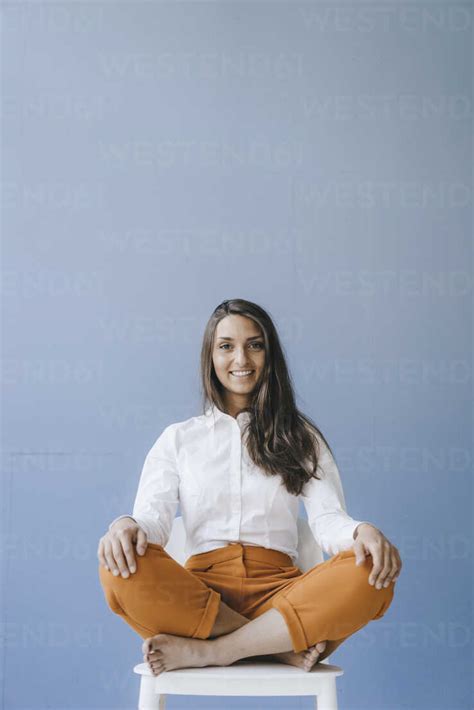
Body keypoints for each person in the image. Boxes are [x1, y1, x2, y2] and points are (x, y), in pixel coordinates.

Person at [98, 298, 401, 676]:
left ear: (269, 354)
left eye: (254, 344)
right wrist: (124, 525)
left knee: (372, 568)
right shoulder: (178, 439)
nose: (241, 358)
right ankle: (273, 648)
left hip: (283, 597)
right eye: (226, 346)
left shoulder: (300, 437)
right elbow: (152, 523)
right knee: (117, 565)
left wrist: (362, 531)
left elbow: (328, 520)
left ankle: (216, 650)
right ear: (210, 356)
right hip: (199, 595)